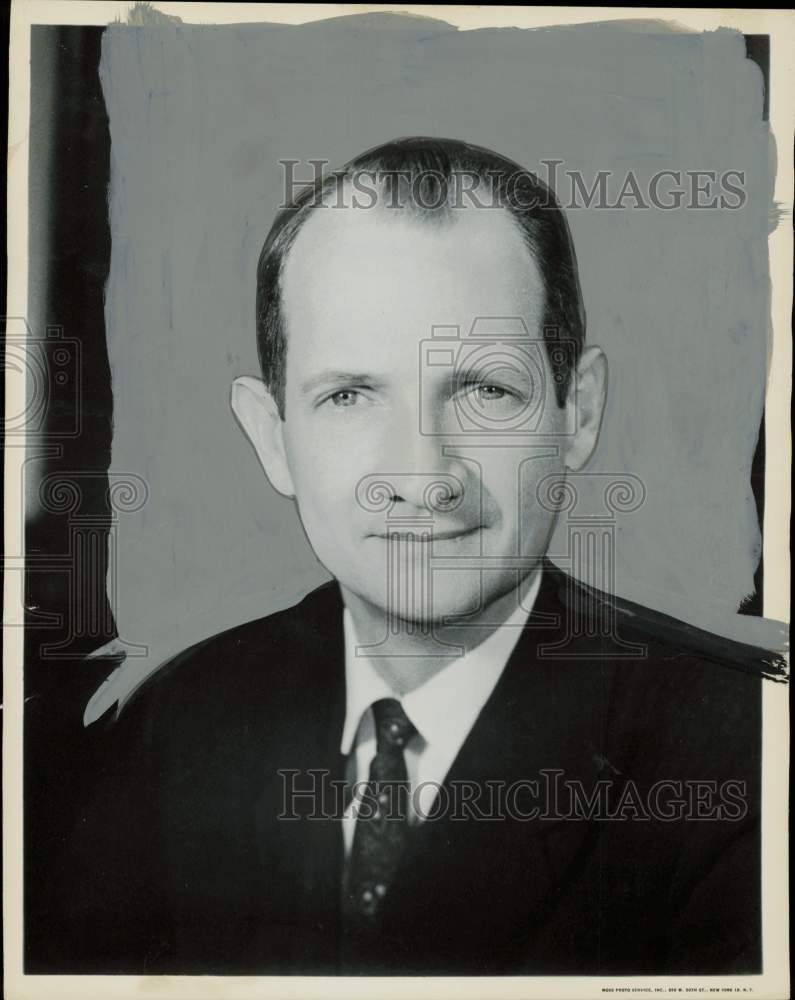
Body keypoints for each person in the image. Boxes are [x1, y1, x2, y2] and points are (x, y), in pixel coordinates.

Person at [48, 137, 780, 976]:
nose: (422, 476)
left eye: (484, 390)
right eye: (350, 396)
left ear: (576, 413)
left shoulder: (744, 753)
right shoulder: (175, 726)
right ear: (271, 437)